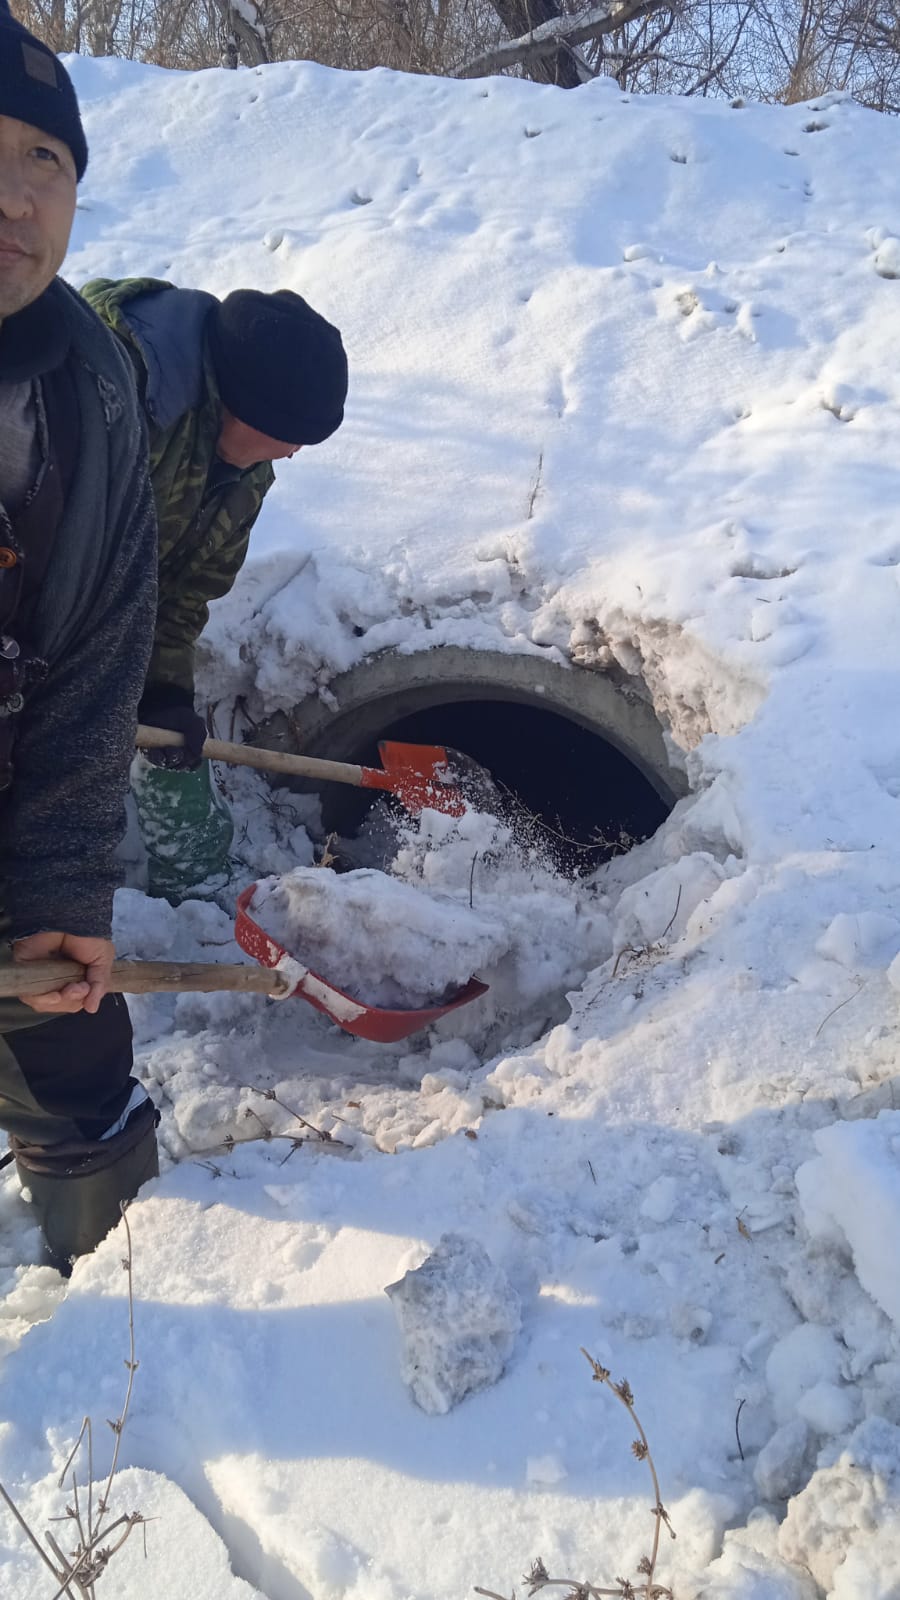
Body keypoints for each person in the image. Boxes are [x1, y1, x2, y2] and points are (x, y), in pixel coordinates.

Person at [0, 3, 159, 1270]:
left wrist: (59, 892)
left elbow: (98, 664)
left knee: (76, 1069)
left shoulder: (94, 397)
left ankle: (118, 1334)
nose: (13, 197)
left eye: (42, 160)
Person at [82, 274, 349, 899]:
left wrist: (165, 688)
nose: (290, 457)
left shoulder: (243, 469)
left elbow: (183, 592)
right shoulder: (111, 396)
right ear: (243, 404)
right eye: (291, 438)